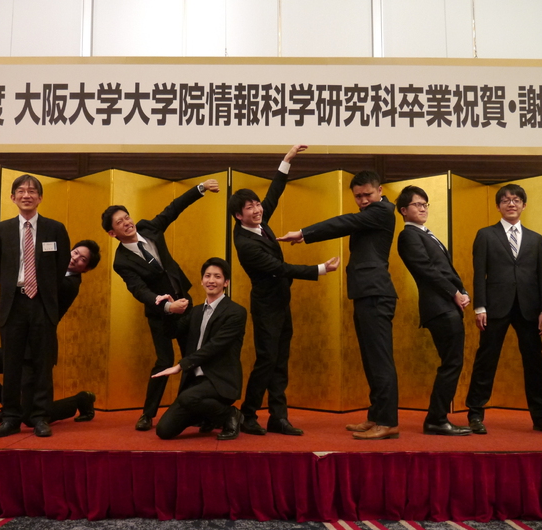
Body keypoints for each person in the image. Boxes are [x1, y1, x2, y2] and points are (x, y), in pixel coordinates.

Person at [278, 171, 400, 440]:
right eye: (358, 196)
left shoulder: (383, 211)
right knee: (371, 360)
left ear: (380, 191)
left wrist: (304, 233)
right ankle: (376, 415)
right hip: (365, 293)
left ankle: (388, 421)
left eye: (368, 194)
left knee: (380, 361)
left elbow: (343, 222)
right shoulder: (371, 213)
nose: (363, 200)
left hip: (376, 293)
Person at [230, 144, 339, 436]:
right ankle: (248, 414)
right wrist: (320, 269)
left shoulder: (259, 223)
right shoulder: (245, 244)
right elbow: (281, 268)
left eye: (256, 205)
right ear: (238, 216)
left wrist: (286, 161)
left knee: (280, 361)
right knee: (267, 360)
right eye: (250, 208)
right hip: (266, 307)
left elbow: (273, 194)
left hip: (280, 301)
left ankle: (278, 417)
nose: (257, 209)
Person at [102, 178, 220, 431]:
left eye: (127, 217)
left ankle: (194, 411)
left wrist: (200, 188)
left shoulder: (148, 228)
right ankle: (148, 414)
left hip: (184, 302)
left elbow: (173, 209)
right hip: (160, 313)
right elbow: (138, 289)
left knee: (192, 358)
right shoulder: (121, 261)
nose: (127, 222)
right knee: (164, 361)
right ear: (112, 233)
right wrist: (166, 306)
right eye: (120, 222)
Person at [0, 240, 101, 425]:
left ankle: (80, 400)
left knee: (31, 417)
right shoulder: (52, 269)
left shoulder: (68, 284)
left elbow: (28, 282)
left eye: (82, 259)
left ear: (86, 269)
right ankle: (9, 408)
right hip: (18, 342)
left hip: (37, 349)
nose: (75, 258)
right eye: (75, 252)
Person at [464, 184, 542, 435]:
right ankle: (475, 414)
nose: (511, 204)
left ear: (524, 205)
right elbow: (479, 273)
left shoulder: (535, 238)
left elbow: (541, 276)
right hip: (495, 307)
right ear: (498, 206)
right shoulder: (485, 235)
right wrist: (480, 307)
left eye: (516, 200)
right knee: (486, 360)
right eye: (505, 200)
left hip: (529, 308)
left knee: (534, 362)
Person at [0, 174, 70, 438]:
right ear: (12, 197)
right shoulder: (1, 230)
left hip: (42, 303)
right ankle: (10, 417)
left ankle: (40, 416)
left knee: (42, 363)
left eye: (32, 191)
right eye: (21, 191)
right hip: (13, 302)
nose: (27, 195)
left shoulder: (55, 228)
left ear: (40, 197)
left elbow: (60, 267)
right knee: (11, 362)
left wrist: (43, 290)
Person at [395, 186, 471, 436]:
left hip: (446, 305)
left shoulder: (426, 234)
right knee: (452, 362)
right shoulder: (408, 236)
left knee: (452, 362)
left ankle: (437, 418)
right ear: (403, 210)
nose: (423, 208)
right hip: (439, 307)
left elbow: (445, 269)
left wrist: (461, 291)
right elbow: (426, 269)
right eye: (417, 204)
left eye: (425, 204)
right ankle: (436, 419)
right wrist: (454, 292)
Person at [153, 258, 247, 441]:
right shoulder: (195, 312)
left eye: (217, 277)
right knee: (164, 430)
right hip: (195, 382)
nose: (211, 280)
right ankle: (209, 416)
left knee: (188, 398)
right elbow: (171, 332)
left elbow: (214, 347)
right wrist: (170, 309)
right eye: (207, 276)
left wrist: (180, 366)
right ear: (202, 281)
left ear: (226, 282)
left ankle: (230, 414)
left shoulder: (236, 312)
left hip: (219, 380)